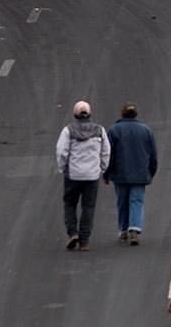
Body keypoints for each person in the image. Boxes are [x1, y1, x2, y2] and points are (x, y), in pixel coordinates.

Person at [55, 99, 110, 252]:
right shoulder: (100, 130)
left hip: (73, 175)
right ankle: (84, 240)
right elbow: (106, 151)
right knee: (88, 207)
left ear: (75, 114)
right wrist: (102, 168)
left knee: (70, 204)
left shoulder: (68, 131)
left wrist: (62, 168)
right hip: (92, 176)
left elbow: (61, 152)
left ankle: (73, 232)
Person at [105, 101, 159, 246]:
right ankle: (134, 228)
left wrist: (106, 173)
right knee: (136, 201)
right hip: (140, 173)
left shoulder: (114, 130)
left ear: (122, 114)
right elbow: (153, 154)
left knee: (122, 201)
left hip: (120, 173)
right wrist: (151, 171)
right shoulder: (146, 130)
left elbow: (109, 154)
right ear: (136, 114)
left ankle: (123, 229)